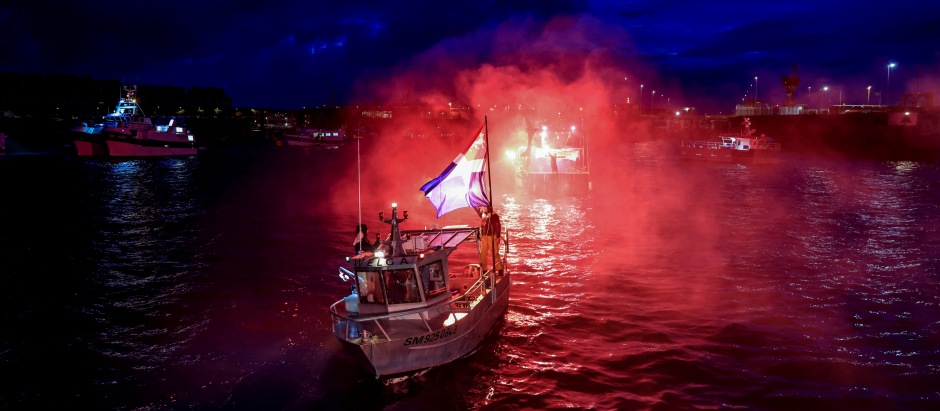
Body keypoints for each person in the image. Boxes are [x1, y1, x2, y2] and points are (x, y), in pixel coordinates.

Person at [480, 207, 504, 274]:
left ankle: (500, 269)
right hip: (485, 237)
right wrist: (481, 234)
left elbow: (497, 226)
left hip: (492, 237)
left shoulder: (494, 216)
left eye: (486, 207)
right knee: (483, 253)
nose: (484, 208)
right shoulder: (483, 214)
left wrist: (498, 237)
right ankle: (483, 270)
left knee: (495, 253)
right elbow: (482, 225)